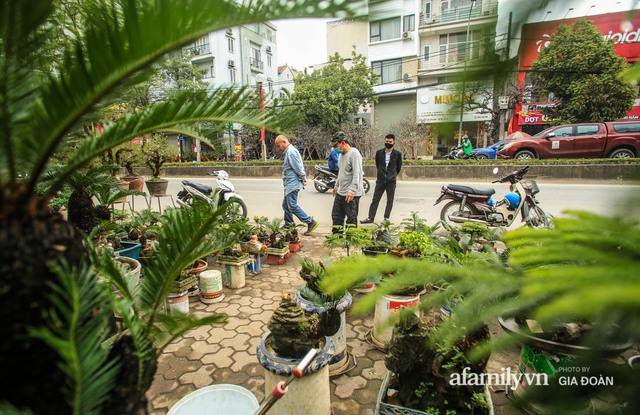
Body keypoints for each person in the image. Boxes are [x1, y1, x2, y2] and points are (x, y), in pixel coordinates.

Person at [274, 135, 318, 235]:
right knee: (286, 205)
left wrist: (303, 178)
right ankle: (289, 224)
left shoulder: (291, 152)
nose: (278, 147)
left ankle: (310, 221)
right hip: (289, 183)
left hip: (292, 184)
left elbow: (298, 167)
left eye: (278, 145)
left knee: (292, 206)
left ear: (284, 142)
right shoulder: (289, 152)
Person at [361, 133, 402, 223]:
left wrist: (392, 175)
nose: (388, 143)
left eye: (390, 142)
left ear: (394, 142)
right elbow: (377, 165)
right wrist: (381, 174)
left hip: (391, 181)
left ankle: (386, 218)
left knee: (390, 200)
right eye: (386, 141)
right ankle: (370, 218)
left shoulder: (397, 154)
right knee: (375, 199)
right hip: (380, 181)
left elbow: (398, 167)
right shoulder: (379, 153)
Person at [331, 132, 364, 234]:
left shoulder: (354, 154)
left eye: (336, 145)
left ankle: (350, 240)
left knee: (351, 218)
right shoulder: (341, 155)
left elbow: (357, 174)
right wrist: (336, 186)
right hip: (341, 191)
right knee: (336, 215)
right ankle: (336, 237)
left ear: (343, 143)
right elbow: (341, 173)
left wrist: (352, 190)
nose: (334, 148)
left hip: (351, 194)